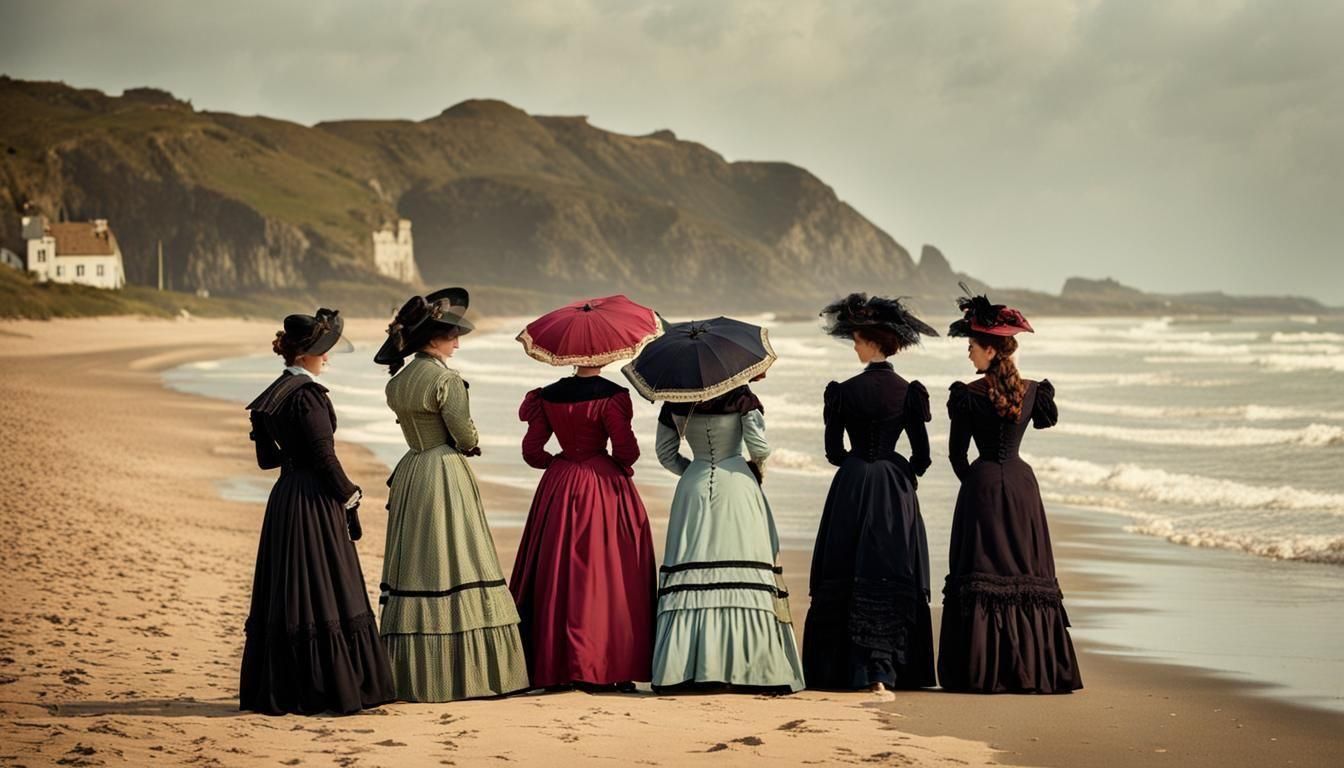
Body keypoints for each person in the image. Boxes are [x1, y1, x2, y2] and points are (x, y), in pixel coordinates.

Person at [372, 289, 530, 701]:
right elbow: (464, 433)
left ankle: (412, 674)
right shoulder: (445, 380)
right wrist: (473, 441)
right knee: (455, 557)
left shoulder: (399, 382)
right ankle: (463, 675)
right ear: (432, 339)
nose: (457, 342)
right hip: (443, 471)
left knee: (419, 562)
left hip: (412, 469)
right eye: (451, 336)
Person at [240, 308, 395, 715]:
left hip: (285, 499)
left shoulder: (269, 396)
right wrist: (350, 493)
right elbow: (325, 458)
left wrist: (290, 453)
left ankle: (287, 687)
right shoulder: (308, 396)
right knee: (327, 587)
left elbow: (266, 461)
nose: (328, 357)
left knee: (291, 591)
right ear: (305, 354)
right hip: (313, 500)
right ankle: (327, 687)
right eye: (323, 351)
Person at [937, 289, 1083, 694]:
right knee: (1024, 571)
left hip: (981, 485)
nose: (968, 354)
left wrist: (976, 484)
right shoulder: (1033, 390)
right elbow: (1045, 424)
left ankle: (982, 669)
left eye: (971, 347)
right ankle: (1034, 669)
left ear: (988, 350)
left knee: (983, 572)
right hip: (1022, 487)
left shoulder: (966, 394)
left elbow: (955, 455)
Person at [802, 294, 939, 694]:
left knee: (845, 569)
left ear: (873, 342)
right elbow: (923, 455)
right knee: (891, 569)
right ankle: (887, 670)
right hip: (894, 489)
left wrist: (857, 465)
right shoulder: (909, 391)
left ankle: (847, 670)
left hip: (853, 483)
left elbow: (833, 453)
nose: (855, 347)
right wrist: (901, 474)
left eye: (858, 340)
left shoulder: (842, 392)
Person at [510, 365, 657, 690]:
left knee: (557, 573)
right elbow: (626, 451)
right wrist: (609, 463)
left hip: (559, 485)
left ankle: (556, 668)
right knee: (607, 575)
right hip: (602, 486)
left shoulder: (546, 395)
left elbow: (532, 453)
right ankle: (604, 667)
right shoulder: (614, 396)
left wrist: (559, 465)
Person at [651, 384, 805, 693]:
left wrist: (693, 470)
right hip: (738, 483)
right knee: (744, 572)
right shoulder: (743, 397)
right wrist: (748, 467)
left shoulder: (676, 398)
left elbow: (665, 454)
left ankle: (685, 669)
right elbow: (759, 448)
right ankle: (749, 667)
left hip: (692, 489)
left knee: (692, 572)